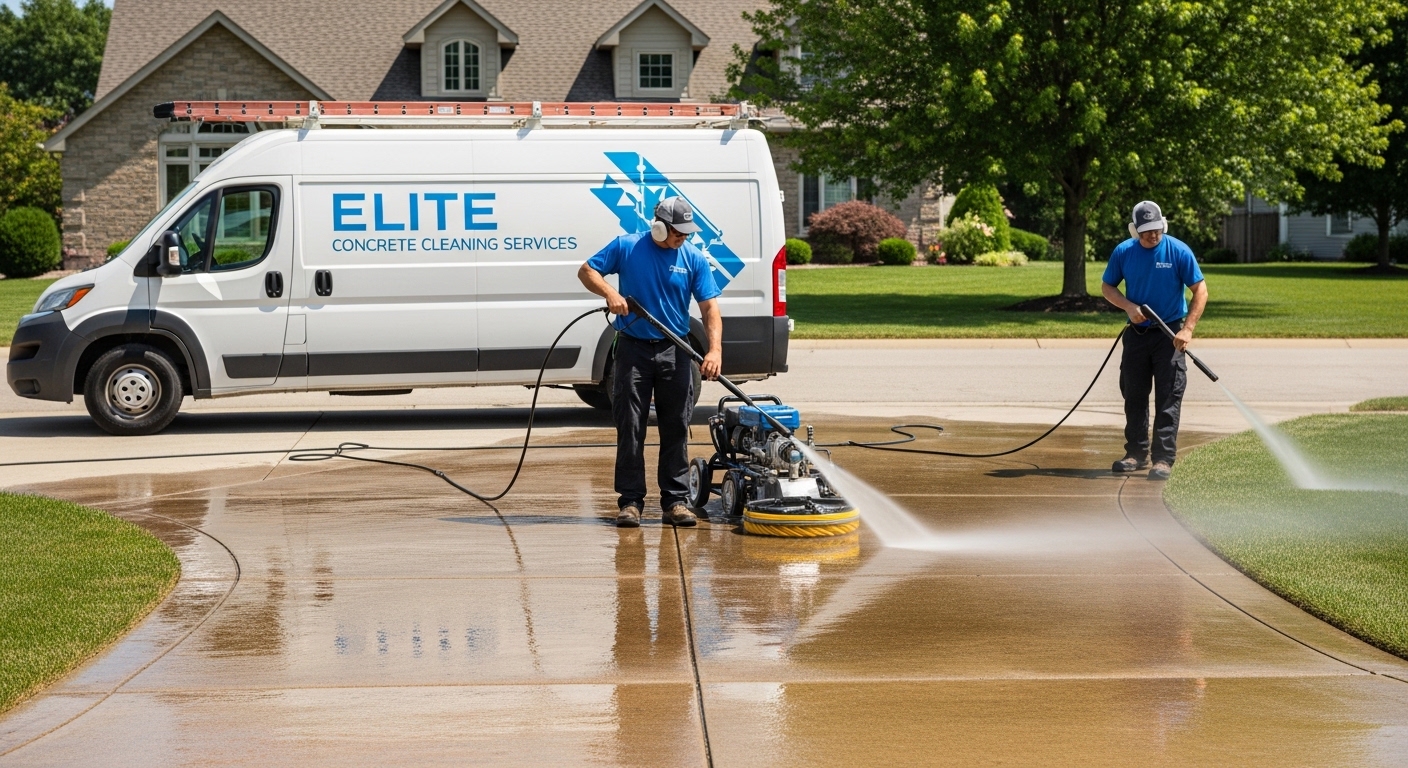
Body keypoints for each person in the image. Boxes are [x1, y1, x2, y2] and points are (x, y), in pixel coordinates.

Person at [578, 197, 723, 527]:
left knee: (676, 425)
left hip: (676, 350)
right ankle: (630, 502)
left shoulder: (693, 259)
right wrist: (610, 294)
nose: (683, 238)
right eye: (678, 232)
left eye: (687, 233)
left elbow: (709, 308)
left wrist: (714, 350)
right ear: (658, 225)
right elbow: (587, 271)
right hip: (633, 349)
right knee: (630, 426)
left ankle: (675, 501)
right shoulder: (626, 247)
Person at [1100, 200, 1208, 481]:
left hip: (1169, 335)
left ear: (1163, 224)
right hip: (1137, 335)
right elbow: (1107, 286)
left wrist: (1188, 329)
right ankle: (1135, 454)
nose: (1153, 235)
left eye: (1156, 229)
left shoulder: (1178, 250)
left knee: (1168, 397)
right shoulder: (1124, 252)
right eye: (1146, 230)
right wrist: (1127, 306)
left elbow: (1200, 290)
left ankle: (1163, 459)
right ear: (1136, 230)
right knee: (1134, 395)